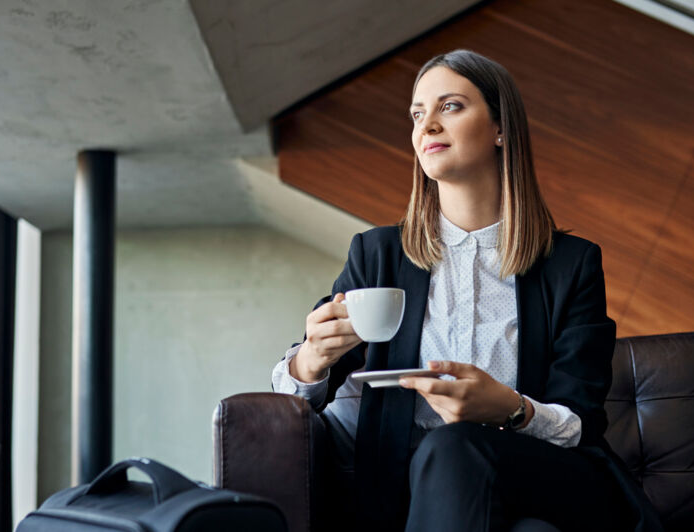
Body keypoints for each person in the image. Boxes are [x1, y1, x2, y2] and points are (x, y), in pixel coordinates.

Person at [271, 49, 664, 532]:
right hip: (416, 485)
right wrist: (311, 358)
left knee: (456, 447)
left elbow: (580, 422)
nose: (427, 126)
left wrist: (512, 410)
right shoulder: (377, 255)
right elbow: (297, 394)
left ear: (501, 129)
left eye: (450, 106)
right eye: (418, 114)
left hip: (546, 474)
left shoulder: (571, 264)